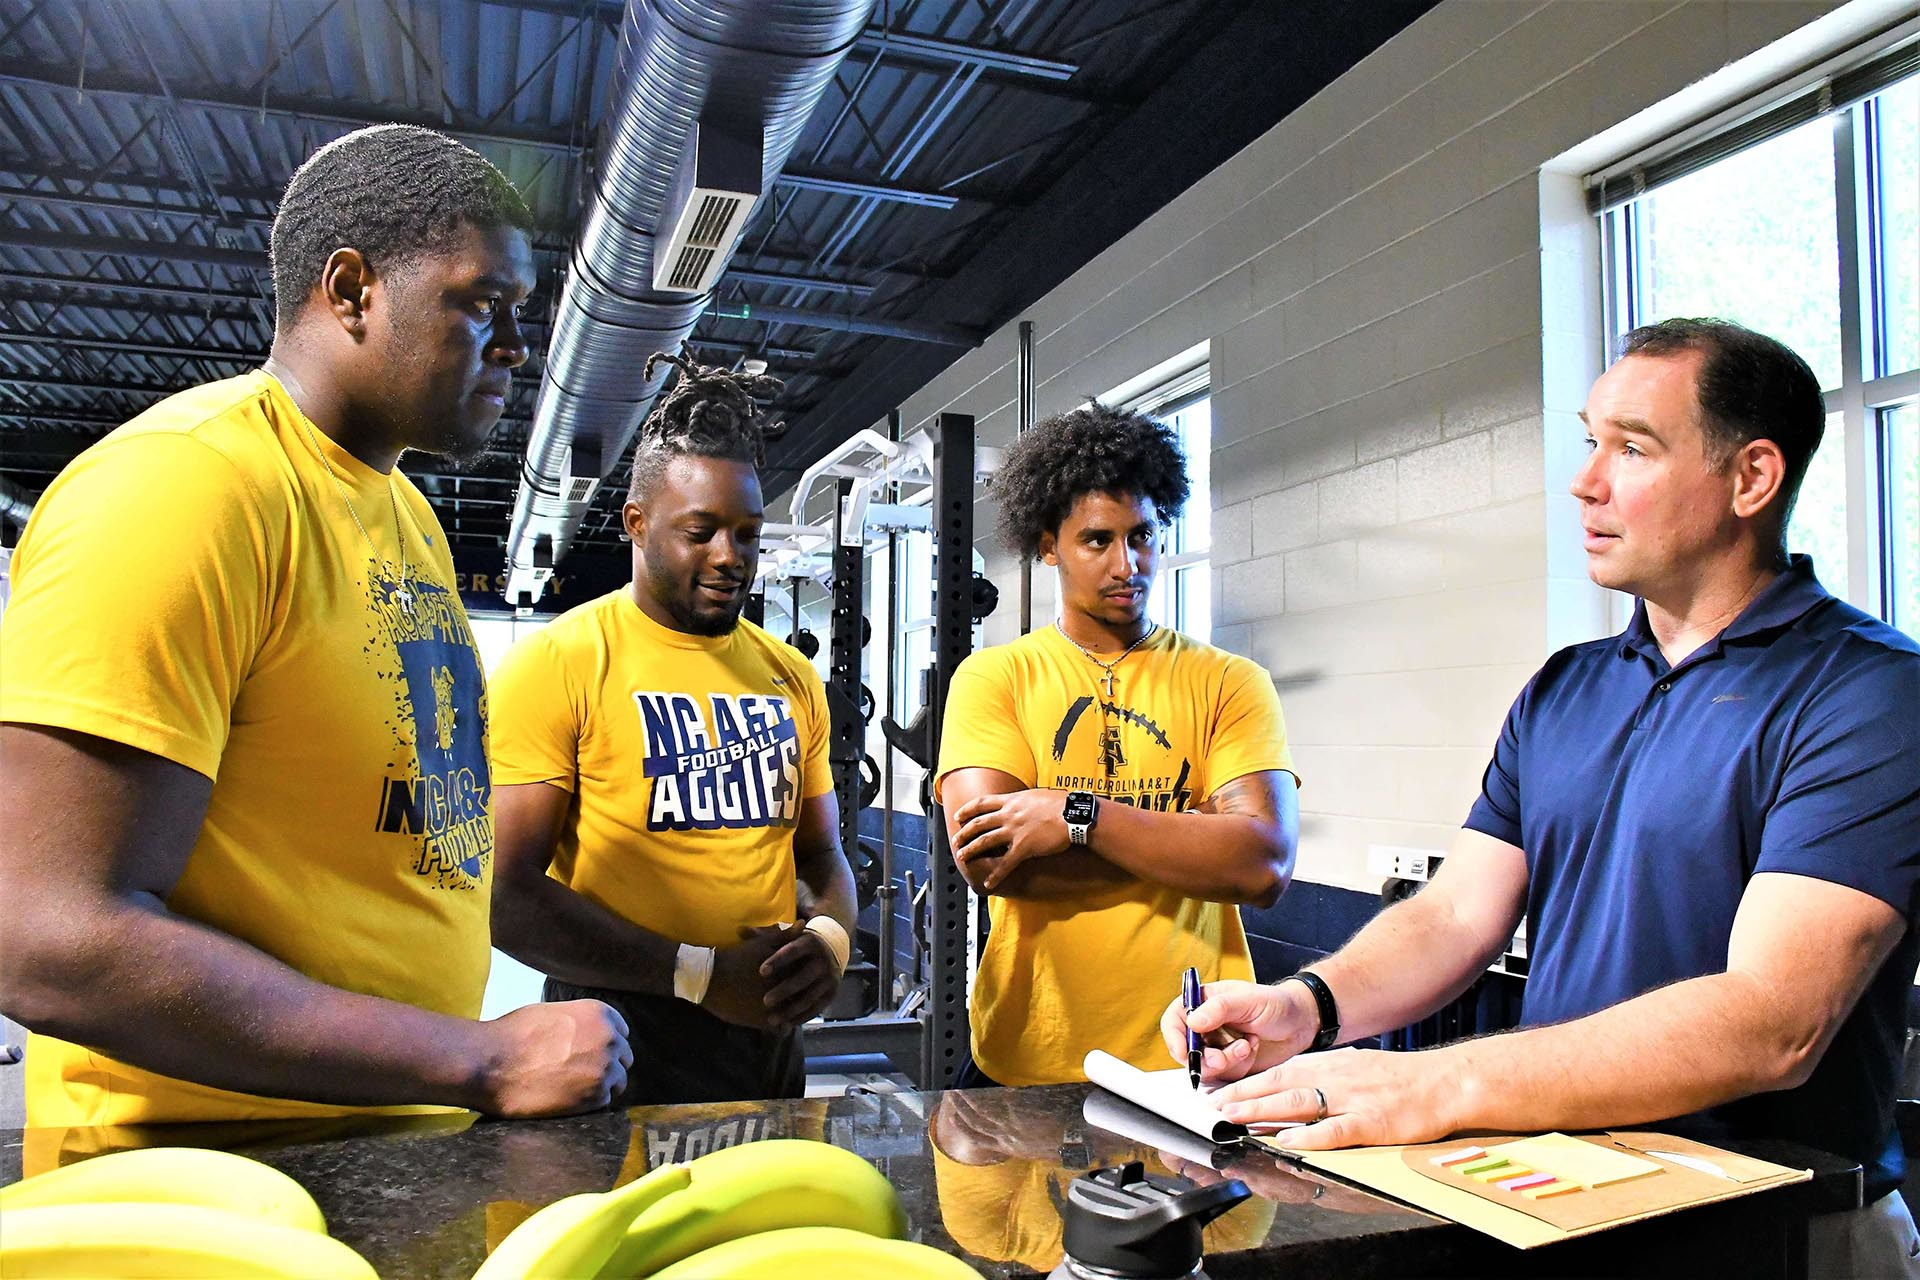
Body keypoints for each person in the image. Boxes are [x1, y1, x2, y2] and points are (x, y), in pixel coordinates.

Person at [1163, 319, 1920, 1273]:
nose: (1586, 479)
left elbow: (1774, 1020)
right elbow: (1451, 917)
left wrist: (1435, 1085)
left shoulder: (1866, 691)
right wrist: (1307, 1005)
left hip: (1774, 1228)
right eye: (1590, 439)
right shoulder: (1568, 687)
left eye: (1632, 447)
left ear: (1750, 479)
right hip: (1567, 1201)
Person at [0, 124, 631, 1125]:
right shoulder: (186, 487)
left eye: (523, 313)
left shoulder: (409, 521)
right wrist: (473, 1059)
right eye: (483, 303)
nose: (518, 346)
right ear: (351, 291)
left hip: (393, 1151)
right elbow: (44, 934)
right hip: (203, 1189)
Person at [488, 351, 858, 1106]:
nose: (731, 558)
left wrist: (829, 942)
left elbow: (823, 856)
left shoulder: (790, 676)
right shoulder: (560, 662)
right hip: (614, 1039)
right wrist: (694, 975)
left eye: (748, 534)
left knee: (774, 1227)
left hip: (765, 1039)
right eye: (702, 532)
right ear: (636, 523)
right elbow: (505, 896)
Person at [935, 403, 1299, 1088]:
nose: (1126, 564)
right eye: (1097, 541)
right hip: (1032, 1056)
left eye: (1143, 537)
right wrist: (1194, 843)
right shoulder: (996, 677)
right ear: (1049, 544)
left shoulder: (1228, 682)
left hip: (1196, 1056)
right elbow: (995, 867)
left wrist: (1077, 819)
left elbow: (1261, 867)